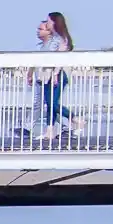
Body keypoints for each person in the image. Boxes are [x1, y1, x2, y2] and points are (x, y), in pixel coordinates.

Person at [32, 10, 81, 141]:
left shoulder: (61, 39)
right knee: (50, 104)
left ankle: (75, 119)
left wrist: (55, 74)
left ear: (54, 22)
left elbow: (60, 59)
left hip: (57, 75)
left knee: (52, 103)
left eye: (48, 21)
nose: (46, 23)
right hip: (47, 76)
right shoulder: (52, 39)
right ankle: (49, 131)